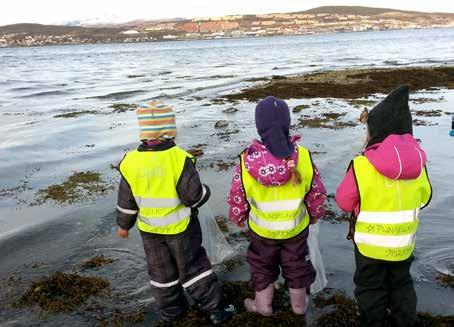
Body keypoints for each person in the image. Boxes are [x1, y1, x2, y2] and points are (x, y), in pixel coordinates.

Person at [116, 101, 235, 325]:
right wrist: (206, 193)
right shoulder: (178, 159)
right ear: (170, 130)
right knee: (193, 268)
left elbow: (126, 200)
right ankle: (216, 309)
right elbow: (193, 196)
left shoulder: (130, 161)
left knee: (161, 274)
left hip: (150, 231)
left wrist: (124, 225)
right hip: (182, 229)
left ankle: (172, 313)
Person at [336, 85, 432, 327]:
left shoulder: (361, 165)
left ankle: (375, 322)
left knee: (370, 288)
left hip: (369, 248)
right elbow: (426, 198)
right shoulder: (419, 165)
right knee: (401, 284)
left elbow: (344, 202)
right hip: (402, 244)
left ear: (374, 133)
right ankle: (405, 321)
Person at [228, 96, 326, 316]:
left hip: (262, 231)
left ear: (259, 126)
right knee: (296, 265)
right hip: (296, 229)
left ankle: (262, 306)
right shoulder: (303, 156)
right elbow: (316, 190)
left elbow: (237, 193)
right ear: (287, 124)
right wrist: (315, 214)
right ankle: (299, 307)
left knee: (262, 266)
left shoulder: (246, 160)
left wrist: (238, 216)